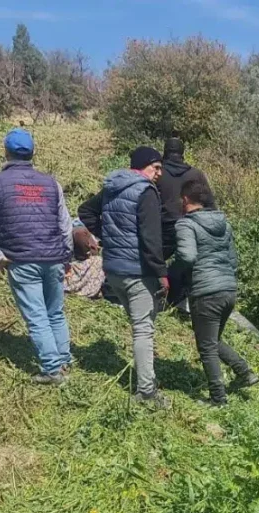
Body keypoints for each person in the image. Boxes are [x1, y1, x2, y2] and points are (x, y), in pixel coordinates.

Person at [0, 129, 74, 384]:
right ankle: (64, 361)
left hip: (21, 258)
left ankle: (52, 370)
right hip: (53, 256)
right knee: (55, 312)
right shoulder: (51, 183)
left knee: (37, 315)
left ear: (5, 152)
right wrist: (67, 257)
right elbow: (65, 225)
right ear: (33, 153)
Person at [78, 146, 170, 407]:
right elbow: (151, 239)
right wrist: (162, 273)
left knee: (139, 325)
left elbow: (85, 211)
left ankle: (145, 377)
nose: (159, 173)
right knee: (143, 330)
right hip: (137, 271)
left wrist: (109, 237)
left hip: (114, 269)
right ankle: (146, 391)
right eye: (156, 167)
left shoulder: (112, 187)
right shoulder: (145, 192)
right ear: (142, 166)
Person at [175, 179, 259, 406]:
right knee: (213, 340)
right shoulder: (224, 224)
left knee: (206, 347)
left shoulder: (186, 225)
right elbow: (233, 260)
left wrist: (174, 274)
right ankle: (245, 373)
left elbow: (187, 256)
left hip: (205, 291)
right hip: (228, 289)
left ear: (185, 199)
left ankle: (218, 398)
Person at [157, 137, 209, 312]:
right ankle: (182, 301)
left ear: (165, 152)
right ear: (182, 153)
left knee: (154, 261)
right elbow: (209, 203)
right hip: (191, 225)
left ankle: (155, 296)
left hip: (163, 227)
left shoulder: (158, 173)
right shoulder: (196, 174)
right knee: (189, 264)